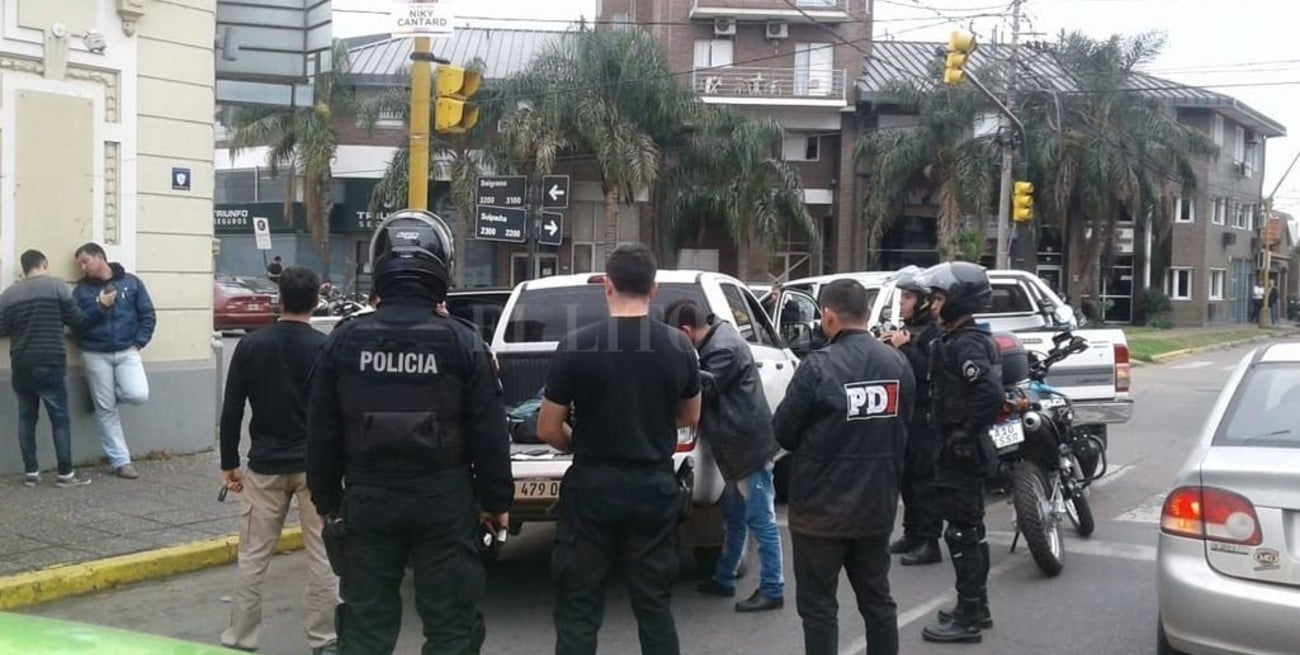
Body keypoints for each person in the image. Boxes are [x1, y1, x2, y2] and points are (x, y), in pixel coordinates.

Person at [306, 210, 511, 655]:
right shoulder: (463, 342)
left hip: (367, 502)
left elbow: (321, 433)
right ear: (442, 267)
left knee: (365, 631)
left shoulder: (343, 341)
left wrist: (327, 503)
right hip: (444, 503)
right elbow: (490, 433)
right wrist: (496, 503)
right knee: (451, 631)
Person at [535, 243, 701, 655]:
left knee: (578, 606)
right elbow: (690, 415)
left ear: (607, 286)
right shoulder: (680, 346)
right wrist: (648, 424)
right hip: (652, 486)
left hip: (591, 486)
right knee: (654, 606)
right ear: (654, 288)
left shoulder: (576, 345)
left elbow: (548, 428)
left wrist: (580, 442)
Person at [772, 279, 915, 655]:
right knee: (878, 601)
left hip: (820, 513)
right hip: (875, 506)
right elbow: (905, 425)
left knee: (819, 608)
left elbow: (784, 431)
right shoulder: (898, 363)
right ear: (867, 314)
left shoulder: (817, 366)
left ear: (828, 316)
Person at [220, 266, 339, 654]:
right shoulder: (324, 348)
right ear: (316, 302)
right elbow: (337, 413)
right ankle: (324, 639)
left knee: (253, 557)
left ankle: (240, 640)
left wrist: (228, 462)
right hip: (315, 467)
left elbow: (233, 408)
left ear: (279, 300)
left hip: (265, 464)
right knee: (322, 555)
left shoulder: (252, 345)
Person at [664, 299, 784, 612]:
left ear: (686, 332)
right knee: (735, 515)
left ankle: (773, 588)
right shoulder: (718, 337)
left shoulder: (722, 350)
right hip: (739, 447)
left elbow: (700, 390)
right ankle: (724, 577)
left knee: (761, 520)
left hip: (747, 449)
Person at [919, 261, 1004, 645]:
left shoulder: (966, 344)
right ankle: (975, 606)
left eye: (939, 299)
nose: (934, 306)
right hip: (957, 449)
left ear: (959, 300)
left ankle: (969, 616)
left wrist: (965, 433)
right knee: (969, 531)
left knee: (962, 533)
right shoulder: (957, 339)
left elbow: (989, 393)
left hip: (961, 453)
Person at [0, 249, 108, 487]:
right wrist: (101, 306)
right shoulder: (57, 286)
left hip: (21, 363)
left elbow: (2, 328)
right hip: (50, 361)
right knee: (59, 419)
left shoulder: (9, 294)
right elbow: (78, 321)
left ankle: (31, 473)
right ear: (44, 264)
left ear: (24, 269)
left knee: (26, 418)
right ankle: (65, 474)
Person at [72, 242, 156, 480]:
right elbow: (77, 323)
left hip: (127, 350)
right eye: (80, 264)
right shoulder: (81, 291)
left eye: (86, 261)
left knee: (138, 394)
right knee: (106, 411)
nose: (83, 267)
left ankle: (102, 397)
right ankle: (121, 462)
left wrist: (138, 343)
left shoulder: (131, 282)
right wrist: (100, 306)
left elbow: (147, 315)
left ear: (100, 257)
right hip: (95, 353)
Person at [883, 266, 944, 566]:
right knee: (907, 478)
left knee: (924, 481)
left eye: (908, 297)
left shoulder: (934, 333)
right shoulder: (908, 330)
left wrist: (904, 347)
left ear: (922, 301)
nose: (902, 302)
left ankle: (929, 541)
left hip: (926, 416)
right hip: (905, 415)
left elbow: (927, 372)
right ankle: (912, 533)